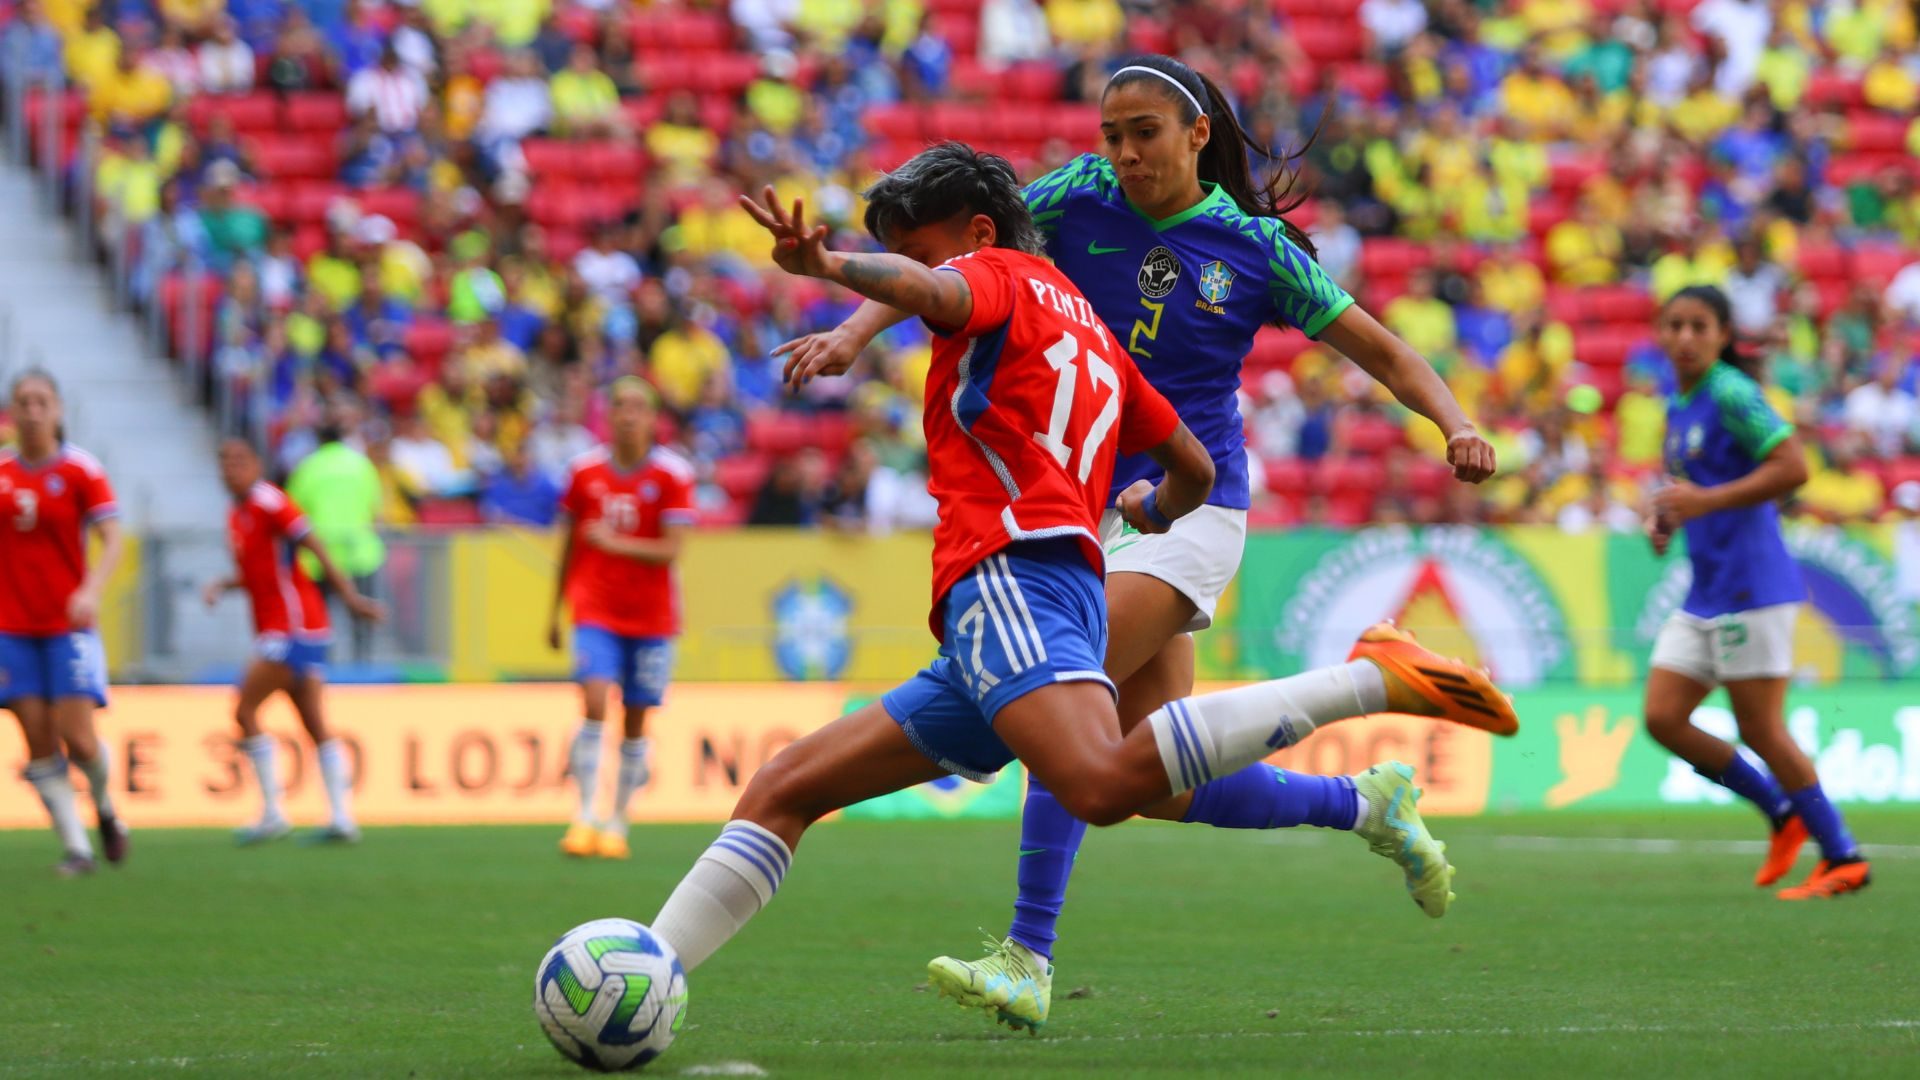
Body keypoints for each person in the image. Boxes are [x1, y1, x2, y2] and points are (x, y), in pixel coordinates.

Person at [642, 145, 1516, 1023]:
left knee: (1095, 780)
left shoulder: (996, 278)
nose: (912, 273)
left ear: (979, 235)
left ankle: (1370, 679)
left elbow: (941, 292)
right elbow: (1190, 459)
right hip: (1053, 577)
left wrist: (828, 267)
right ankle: (651, 971)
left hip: (1014, 580)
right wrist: (1157, 503)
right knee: (793, 785)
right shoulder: (1092, 327)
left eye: (920, 251)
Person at [1644, 286, 1869, 900]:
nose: (1686, 337)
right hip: (1706, 588)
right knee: (1663, 716)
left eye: (1699, 326)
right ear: (1661, 335)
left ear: (1722, 336)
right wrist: (1666, 518)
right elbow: (1689, 487)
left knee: (1764, 731)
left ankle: (1843, 856)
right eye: (1676, 326)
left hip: (1754, 586)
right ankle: (1778, 811)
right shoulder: (1678, 407)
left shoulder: (1733, 393)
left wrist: (1706, 501)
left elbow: (1795, 468)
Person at [203, 439, 383, 844]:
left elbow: (311, 542)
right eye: (224, 461)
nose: (230, 468)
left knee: (245, 710)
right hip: (290, 627)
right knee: (313, 722)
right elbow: (259, 573)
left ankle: (272, 814)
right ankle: (342, 818)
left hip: (293, 627)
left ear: (257, 465)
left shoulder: (270, 501)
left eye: (239, 459)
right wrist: (223, 585)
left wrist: (350, 597)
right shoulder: (238, 514)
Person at [548, 379, 696, 861]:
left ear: (653, 418)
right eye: (619, 405)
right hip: (595, 608)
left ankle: (618, 820)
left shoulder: (673, 474)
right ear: (607, 415)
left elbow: (673, 551)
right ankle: (585, 814)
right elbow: (568, 543)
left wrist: (615, 542)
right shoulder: (583, 471)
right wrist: (554, 609)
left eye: (638, 407)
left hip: (652, 618)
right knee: (592, 701)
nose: (628, 414)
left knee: (635, 720)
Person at [0, 370, 128, 875]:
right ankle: (76, 849)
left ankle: (106, 810)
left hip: (66, 626)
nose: (32, 411)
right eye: (23, 402)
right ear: (11, 412)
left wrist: (91, 589)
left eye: (41, 401)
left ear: (56, 409)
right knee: (37, 742)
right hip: (11, 628)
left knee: (78, 737)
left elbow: (112, 536)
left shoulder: (81, 470)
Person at [286, 407, 385, 664]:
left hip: (320, 558)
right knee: (361, 618)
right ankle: (364, 667)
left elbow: (293, 512)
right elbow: (375, 510)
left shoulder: (308, 467)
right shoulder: (361, 465)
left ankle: (323, 670)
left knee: (321, 620)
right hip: (360, 553)